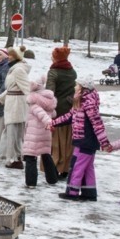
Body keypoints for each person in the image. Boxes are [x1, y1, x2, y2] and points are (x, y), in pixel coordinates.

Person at [51, 77, 110, 201]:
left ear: (83, 88)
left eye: (77, 85)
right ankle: (89, 193)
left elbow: (97, 124)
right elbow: (69, 116)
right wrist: (53, 123)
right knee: (87, 167)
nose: (74, 87)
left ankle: (72, 192)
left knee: (77, 166)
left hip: (85, 141)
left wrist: (104, 142)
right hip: (84, 141)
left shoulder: (88, 103)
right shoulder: (80, 101)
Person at [0, 47, 31, 169]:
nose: (8, 57)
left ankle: (14, 159)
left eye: (11, 55)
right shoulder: (14, 69)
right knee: (11, 131)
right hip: (12, 103)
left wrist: (33, 103)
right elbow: (12, 88)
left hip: (17, 105)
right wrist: (1, 98)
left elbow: (26, 88)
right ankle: (12, 157)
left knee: (14, 132)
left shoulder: (18, 70)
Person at [46, 46, 77, 180]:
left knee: (56, 141)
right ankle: (66, 167)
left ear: (56, 58)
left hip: (57, 110)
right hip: (70, 108)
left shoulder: (53, 72)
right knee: (68, 141)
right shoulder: (72, 71)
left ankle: (55, 166)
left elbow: (49, 92)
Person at [23, 76, 59, 188]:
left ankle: (31, 182)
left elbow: (42, 115)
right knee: (46, 155)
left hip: (34, 135)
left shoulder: (34, 103)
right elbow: (53, 114)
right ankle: (52, 179)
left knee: (30, 157)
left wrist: (49, 123)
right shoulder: (48, 100)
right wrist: (49, 122)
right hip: (45, 133)